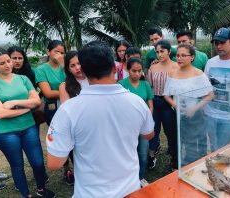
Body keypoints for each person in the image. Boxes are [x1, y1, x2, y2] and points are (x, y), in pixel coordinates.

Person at [46, 42, 154, 198]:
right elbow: (149, 134)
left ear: (83, 70)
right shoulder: (137, 102)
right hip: (130, 190)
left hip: (90, 193)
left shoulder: (68, 110)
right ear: (115, 69)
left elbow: (54, 163)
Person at [0, 47, 55, 198]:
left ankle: (41, 189)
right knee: (17, 165)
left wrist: (13, 102)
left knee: (37, 162)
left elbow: (36, 100)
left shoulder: (23, 79)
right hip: (6, 133)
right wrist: (26, 108)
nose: (8, 65)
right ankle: (26, 194)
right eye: (2, 63)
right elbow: (0, 113)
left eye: (8, 61)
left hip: (28, 127)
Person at [163, 44, 213, 165]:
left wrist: (194, 108)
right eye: (178, 55)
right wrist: (175, 105)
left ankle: (201, 165)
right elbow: (166, 95)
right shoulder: (172, 74)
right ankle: (185, 166)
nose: (179, 58)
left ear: (192, 57)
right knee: (184, 142)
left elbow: (210, 95)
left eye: (183, 55)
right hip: (179, 116)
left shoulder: (198, 73)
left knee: (200, 143)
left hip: (197, 116)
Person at [118, 57, 153, 187]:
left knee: (143, 153)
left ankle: (140, 177)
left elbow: (150, 105)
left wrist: (147, 121)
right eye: (134, 71)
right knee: (128, 154)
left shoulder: (145, 85)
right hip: (126, 126)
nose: (137, 74)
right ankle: (127, 179)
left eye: (139, 71)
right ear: (128, 69)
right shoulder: (121, 85)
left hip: (143, 125)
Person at [147, 39, 179, 170]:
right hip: (155, 101)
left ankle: (174, 160)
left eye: (162, 51)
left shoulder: (176, 66)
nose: (159, 54)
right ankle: (150, 156)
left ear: (169, 51)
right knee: (153, 130)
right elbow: (149, 86)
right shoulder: (153, 67)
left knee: (170, 131)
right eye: (157, 52)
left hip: (169, 102)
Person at [58, 50, 89, 185]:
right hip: (79, 130)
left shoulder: (95, 80)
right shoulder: (65, 86)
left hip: (99, 127)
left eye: (79, 63)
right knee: (82, 160)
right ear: (68, 69)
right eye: (73, 65)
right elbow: (67, 112)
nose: (77, 67)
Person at [8, 46, 45, 127]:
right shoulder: (3, 76)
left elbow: (43, 88)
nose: (17, 61)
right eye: (14, 58)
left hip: (30, 110)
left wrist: (37, 98)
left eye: (20, 58)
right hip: (10, 112)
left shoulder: (30, 73)